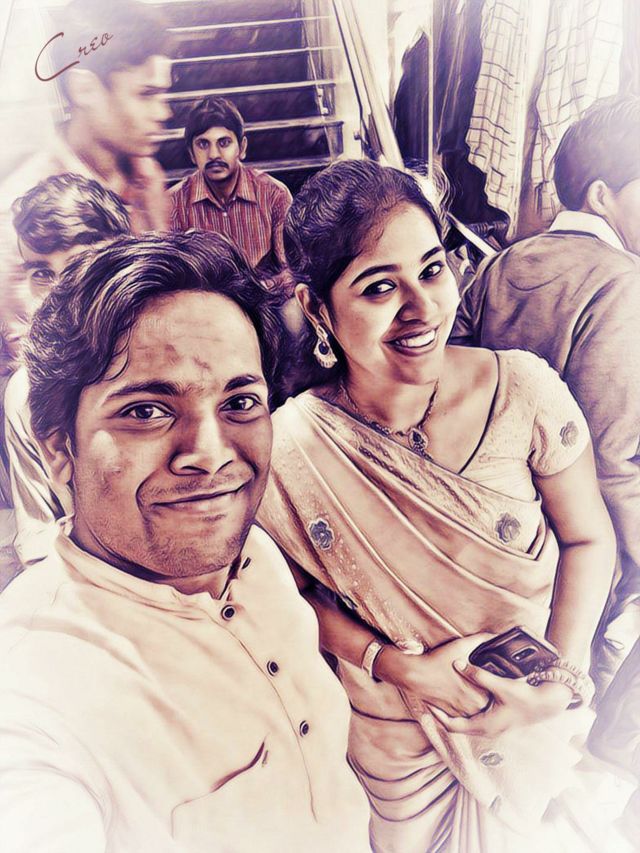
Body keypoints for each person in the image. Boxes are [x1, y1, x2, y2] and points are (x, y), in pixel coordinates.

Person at [257, 159, 621, 852]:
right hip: (396, 744)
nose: (421, 307)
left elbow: (588, 539)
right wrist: (397, 666)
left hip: (532, 715)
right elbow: (287, 597)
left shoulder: (524, 391)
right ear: (316, 308)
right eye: (379, 287)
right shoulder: (294, 448)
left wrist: (560, 681)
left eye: (431, 270)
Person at [0, 231, 370, 852]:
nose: (210, 455)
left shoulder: (254, 558)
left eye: (240, 402)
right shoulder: (35, 691)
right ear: (59, 448)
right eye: (147, 411)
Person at [451, 95, 640, 691]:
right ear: (602, 195)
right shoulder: (624, 284)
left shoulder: (502, 264)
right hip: (582, 551)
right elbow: (610, 462)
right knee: (574, 696)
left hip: (497, 538)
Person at [0, 0, 172, 373]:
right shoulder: (19, 206)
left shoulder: (148, 178)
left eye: (163, 94)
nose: (164, 112)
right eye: (146, 94)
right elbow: (33, 359)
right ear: (85, 89)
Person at [2, 173, 131, 575]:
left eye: (78, 268)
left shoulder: (172, 354)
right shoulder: (26, 392)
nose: (60, 293)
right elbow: (37, 533)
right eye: (42, 274)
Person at [169, 96, 295, 297]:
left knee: (294, 311)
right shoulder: (173, 203)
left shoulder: (274, 194)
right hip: (205, 305)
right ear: (191, 153)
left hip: (266, 299)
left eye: (224, 142)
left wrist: (260, 290)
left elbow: (292, 271)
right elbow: (172, 281)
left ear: (242, 148)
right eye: (203, 144)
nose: (214, 154)